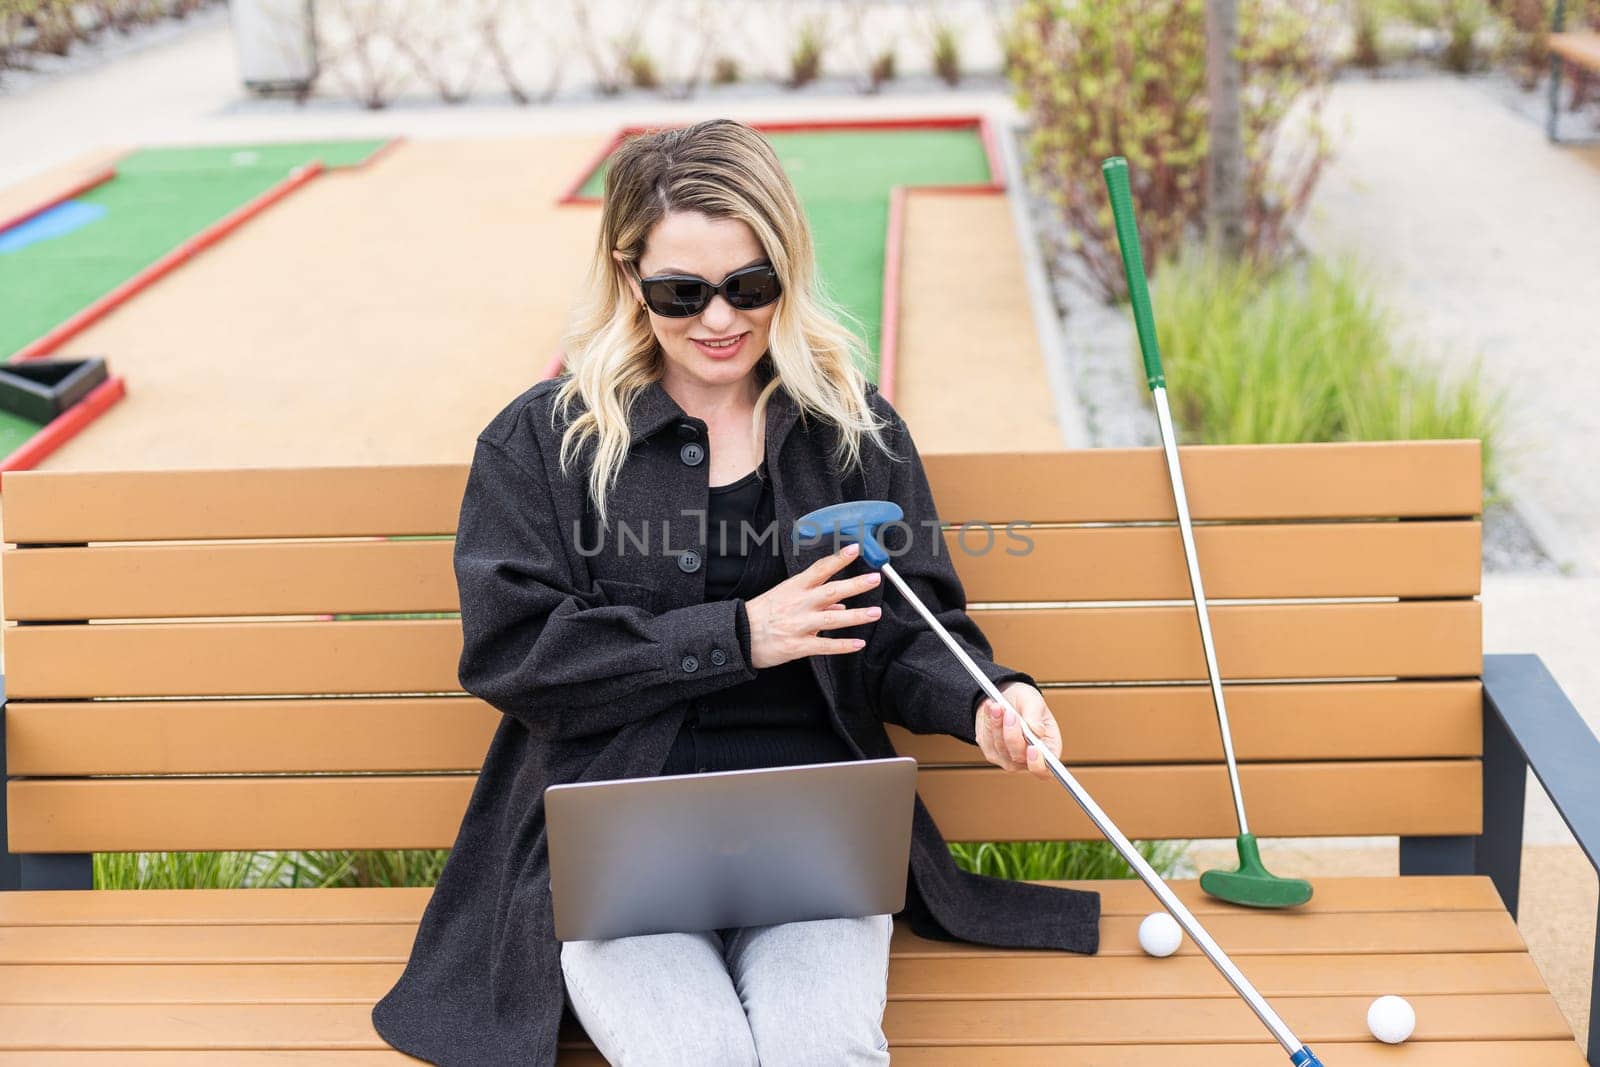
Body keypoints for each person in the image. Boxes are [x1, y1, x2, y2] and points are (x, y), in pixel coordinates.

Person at [370, 118, 1101, 1067]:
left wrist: (985, 702)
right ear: (630, 277)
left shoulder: (850, 426)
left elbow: (910, 630)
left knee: (823, 1050)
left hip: (815, 850)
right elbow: (516, 653)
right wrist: (739, 633)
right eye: (683, 292)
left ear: (787, 270)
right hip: (617, 854)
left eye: (750, 286)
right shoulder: (545, 442)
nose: (720, 320)